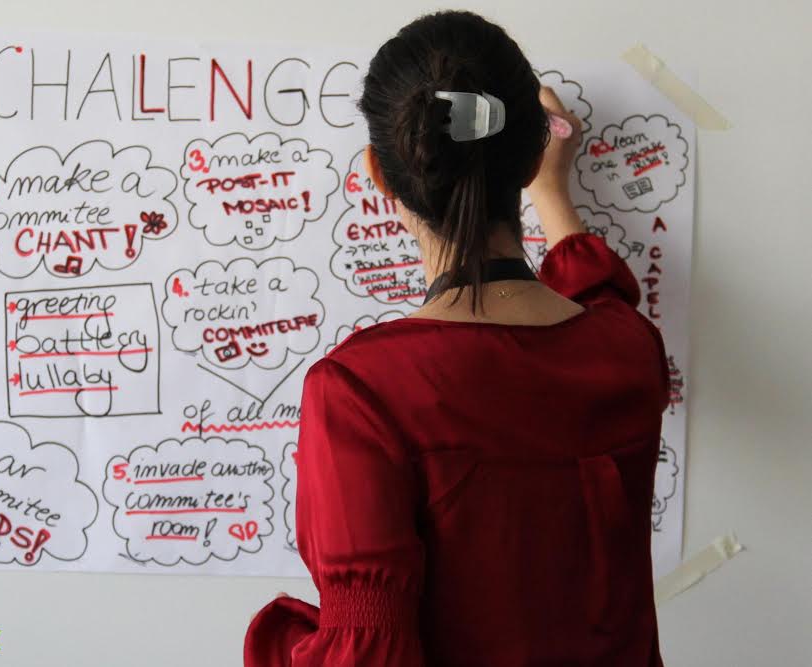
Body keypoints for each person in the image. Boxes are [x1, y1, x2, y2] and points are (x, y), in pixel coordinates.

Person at [244, 10, 670, 666]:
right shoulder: (628, 352)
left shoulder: (360, 391)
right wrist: (552, 195)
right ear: (530, 156)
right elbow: (601, 302)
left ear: (378, 172)